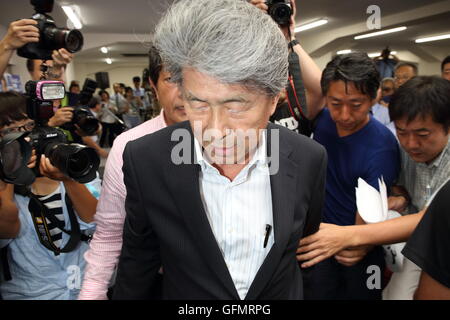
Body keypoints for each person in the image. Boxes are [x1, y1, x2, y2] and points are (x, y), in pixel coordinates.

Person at [112, 0, 326, 300]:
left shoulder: (308, 158)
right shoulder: (145, 160)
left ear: (274, 99)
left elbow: (303, 254)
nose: (214, 130)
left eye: (235, 106)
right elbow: (138, 265)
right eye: (197, 103)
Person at [297, 76, 450, 300]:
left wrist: (352, 236)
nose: (411, 144)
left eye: (422, 134)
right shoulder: (395, 147)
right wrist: (400, 197)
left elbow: (431, 218)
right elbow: (400, 189)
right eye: (402, 132)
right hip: (417, 241)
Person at [79, 45, 187, 300]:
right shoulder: (130, 145)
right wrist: (92, 291)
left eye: (195, 78)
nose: (186, 92)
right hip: (151, 283)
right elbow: (109, 229)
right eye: (172, 79)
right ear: (153, 84)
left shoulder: (233, 140)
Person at [300, 52, 400, 300]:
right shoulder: (322, 119)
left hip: (355, 247)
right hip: (318, 239)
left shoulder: (381, 148)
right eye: (335, 103)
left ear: (374, 97)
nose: (344, 115)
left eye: (356, 105)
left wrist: (356, 244)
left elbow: (365, 221)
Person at [0, 92, 101, 300]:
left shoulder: (68, 159)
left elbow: (94, 221)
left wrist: (68, 178)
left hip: (83, 287)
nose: (25, 138)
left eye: (28, 127)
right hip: (29, 294)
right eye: (11, 131)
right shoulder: (4, 183)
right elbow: (8, 229)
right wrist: (9, 172)